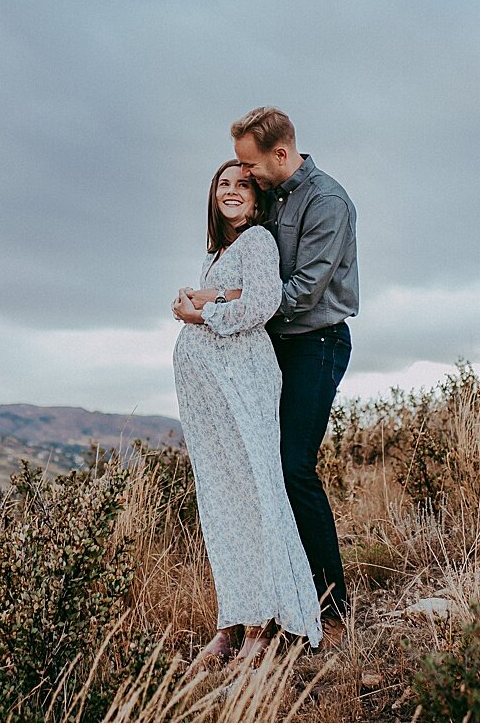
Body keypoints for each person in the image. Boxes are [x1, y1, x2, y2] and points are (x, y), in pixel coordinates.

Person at [187, 107, 358, 646]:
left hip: (315, 345)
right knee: (262, 472)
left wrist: (217, 300)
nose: (244, 175)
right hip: (271, 350)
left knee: (292, 467)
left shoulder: (326, 202)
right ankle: (280, 602)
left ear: (279, 155)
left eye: (249, 166)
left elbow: (301, 290)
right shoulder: (274, 193)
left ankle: (331, 608)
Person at [171, 159, 324, 662]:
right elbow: (235, 297)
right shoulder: (219, 251)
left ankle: (260, 625)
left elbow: (262, 302)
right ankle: (232, 617)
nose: (232, 191)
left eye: (243, 184)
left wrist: (203, 310)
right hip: (212, 395)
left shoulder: (258, 241)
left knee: (254, 495)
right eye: (223, 183)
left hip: (244, 385)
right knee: (222, 503)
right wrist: (205, 298)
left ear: (258, 199)